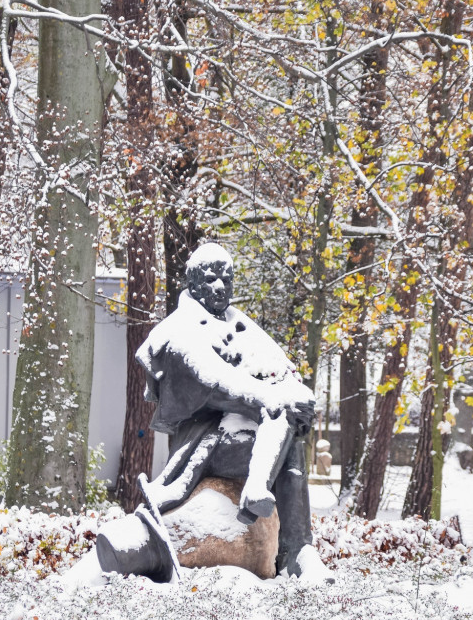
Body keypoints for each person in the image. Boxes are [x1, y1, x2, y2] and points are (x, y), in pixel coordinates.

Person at [95, 242, 332, 582]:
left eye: (227, 278)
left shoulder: (240, 323)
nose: (220, 287)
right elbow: (217, 383)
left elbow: (286, 373)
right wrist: (271, 398)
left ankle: (292, 544)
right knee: (280, 414)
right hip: (206, 448)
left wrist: (299, 398)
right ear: (192, 284)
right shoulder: (178, 333)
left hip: (247, 436)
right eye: (210, 279)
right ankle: (291, 543)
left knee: (289, 430)